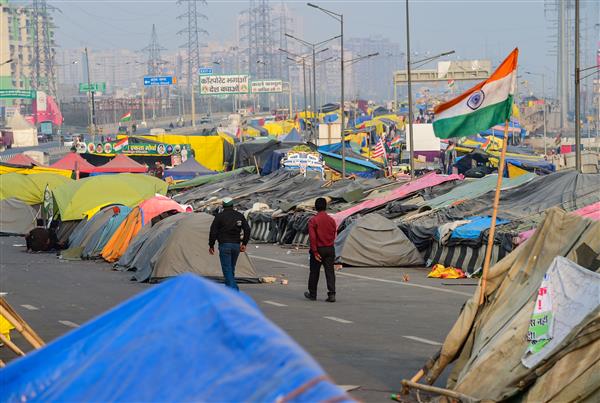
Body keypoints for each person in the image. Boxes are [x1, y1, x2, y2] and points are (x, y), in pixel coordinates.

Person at [209, 198, 251, 291]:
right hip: (236, 245)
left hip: (224, 245)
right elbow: (247, 229)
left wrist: (211, 245)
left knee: (227, 269)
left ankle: (234, 289)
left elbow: (213, 232)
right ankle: (229, 290)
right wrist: (244, 243)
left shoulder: (219, 216)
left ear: (223, 206)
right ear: (233, 205)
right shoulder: (239, 215)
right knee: (231, 268)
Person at [305, 197, 337, 302]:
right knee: (330, 272)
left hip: (318, 249)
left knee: (314, 272)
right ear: (326, 207)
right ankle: (332, 294)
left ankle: (312, 294)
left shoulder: (313, 220)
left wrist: (314, 251)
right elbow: (334, 234)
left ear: (315, 207)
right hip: (329, 248)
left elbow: (312, 237)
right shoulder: (332, 220)